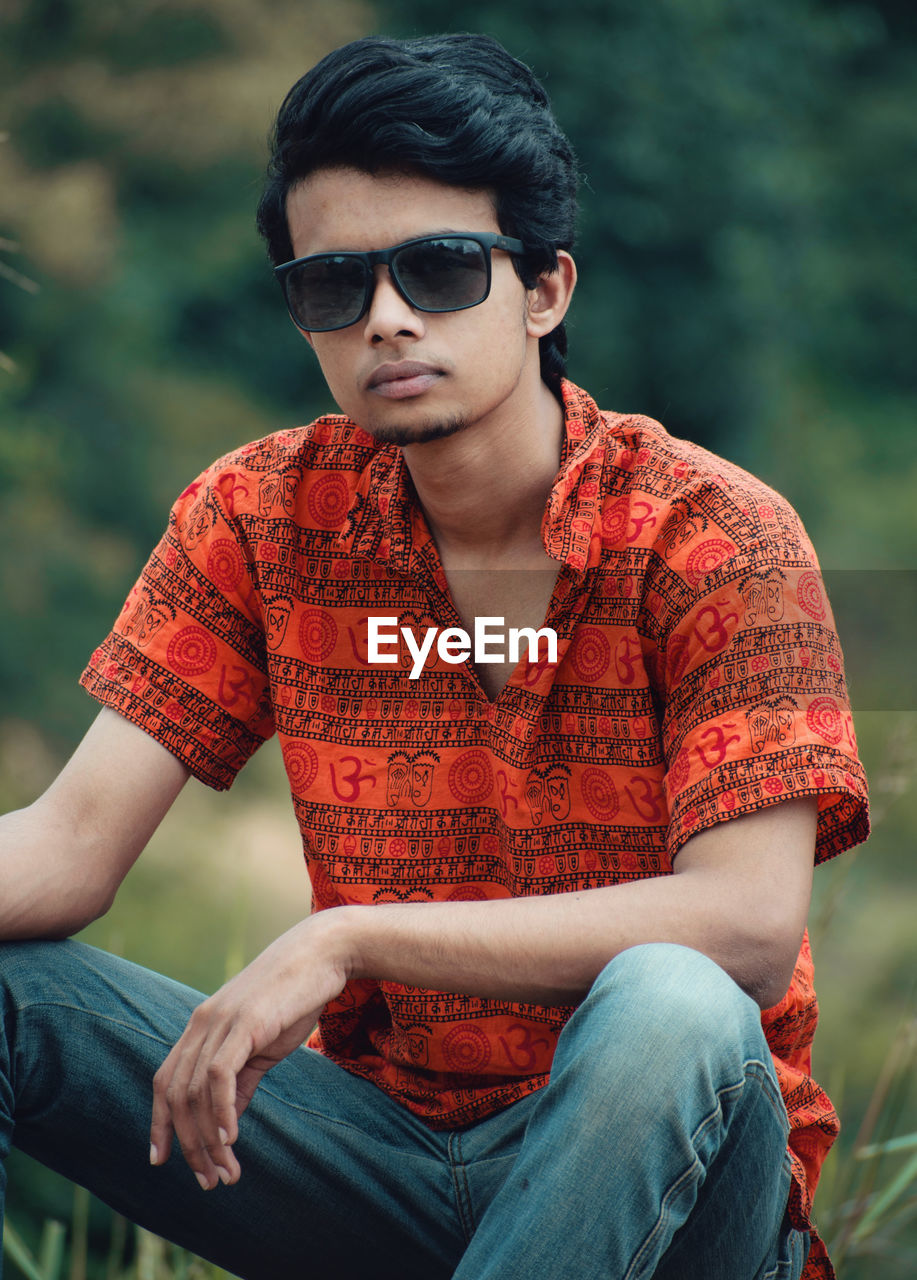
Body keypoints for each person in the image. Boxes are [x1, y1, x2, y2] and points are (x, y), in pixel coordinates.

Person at [0, 32, 867, 1280]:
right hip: (376, 1156)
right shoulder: (259, 517)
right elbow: (66, 845)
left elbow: (741, 921)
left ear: (545, 289)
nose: (387, 319)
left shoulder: (712, 532)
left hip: (679, 1178)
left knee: (669, 1003)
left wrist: (346, 939)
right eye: (333, 286)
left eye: (442, 269)